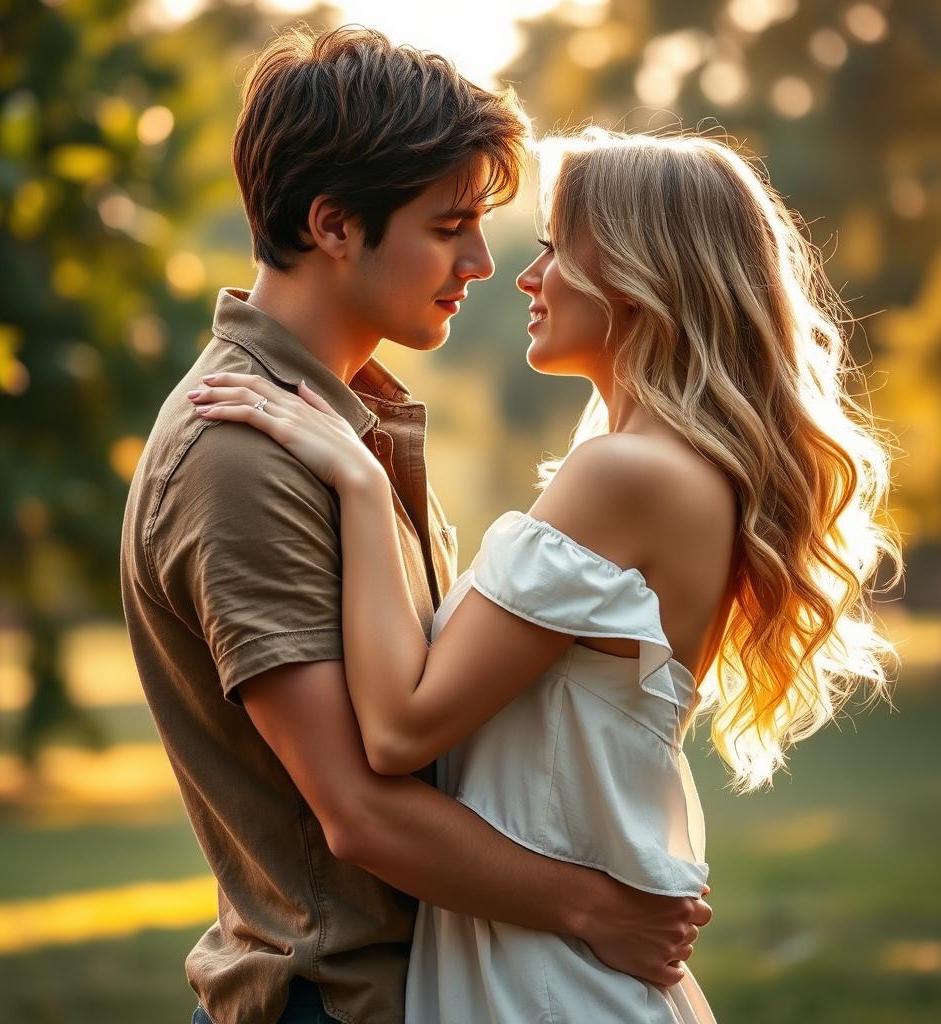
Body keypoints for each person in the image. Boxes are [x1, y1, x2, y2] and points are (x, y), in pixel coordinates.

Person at [189, 126, 901, 1022]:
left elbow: (401, 731)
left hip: (548, 984)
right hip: (562, 971)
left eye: (557, 250)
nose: (525, 277)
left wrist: (362, 484)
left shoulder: (623, 477)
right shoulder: (678, 473)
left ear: (644, 275)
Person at [120, 29, 710, 1024]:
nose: (484, 261)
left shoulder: (345, 422)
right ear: (335, 225)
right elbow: (357, 811)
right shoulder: (241, 455)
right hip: (335, 1001)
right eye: (449, 226)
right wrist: (594, 907)